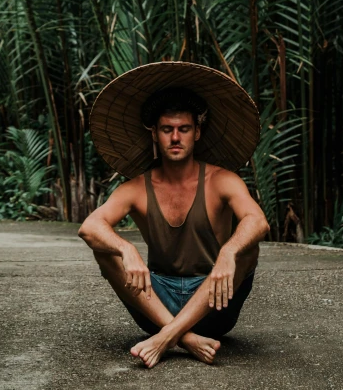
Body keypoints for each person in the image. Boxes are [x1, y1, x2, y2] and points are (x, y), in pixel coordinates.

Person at [79, 62, 269, 368]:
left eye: (184, 129)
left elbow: (257, 221)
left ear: (197, 132)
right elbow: (90, 227)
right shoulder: (137, 188)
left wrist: (228, 253)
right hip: (157, 302)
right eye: (167, 129)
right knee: (105, 253)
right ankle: (184, 337)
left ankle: (167, 337)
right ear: (155, 134)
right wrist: (126, 249)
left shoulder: (222, 180)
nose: (176, 137)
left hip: (213, 303)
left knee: (249, 250)